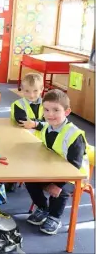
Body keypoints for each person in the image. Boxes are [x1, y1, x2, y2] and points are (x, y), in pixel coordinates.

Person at [26, 89, 92, 235]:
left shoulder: (74, 135)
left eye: (56, 110)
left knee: (59, 191)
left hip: (74, 177)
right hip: (53, 169)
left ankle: (55, 217)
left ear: (67, 112)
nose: (50, 114)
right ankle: (43, 207)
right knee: (29, 180)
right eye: (47, 110)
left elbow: (74, 166)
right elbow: (41, 127)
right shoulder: (48, 127)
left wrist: (57, 184)